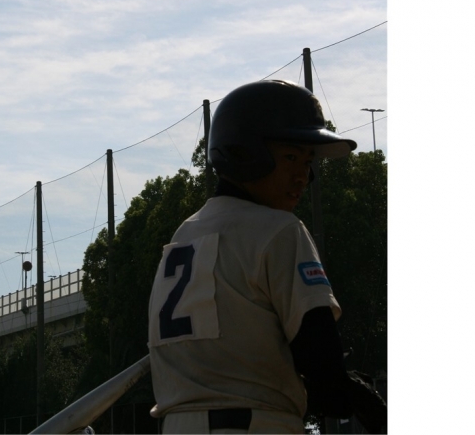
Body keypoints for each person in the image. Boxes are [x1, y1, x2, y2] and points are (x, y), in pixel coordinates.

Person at [147, 80, 387, 434]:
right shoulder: (278, 229)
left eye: (308, 161)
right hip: (256, 423)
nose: (303, 175)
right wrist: (350, 392)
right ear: (245, 153)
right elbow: (321, 359)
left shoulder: (184, 235)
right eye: (291, 157)